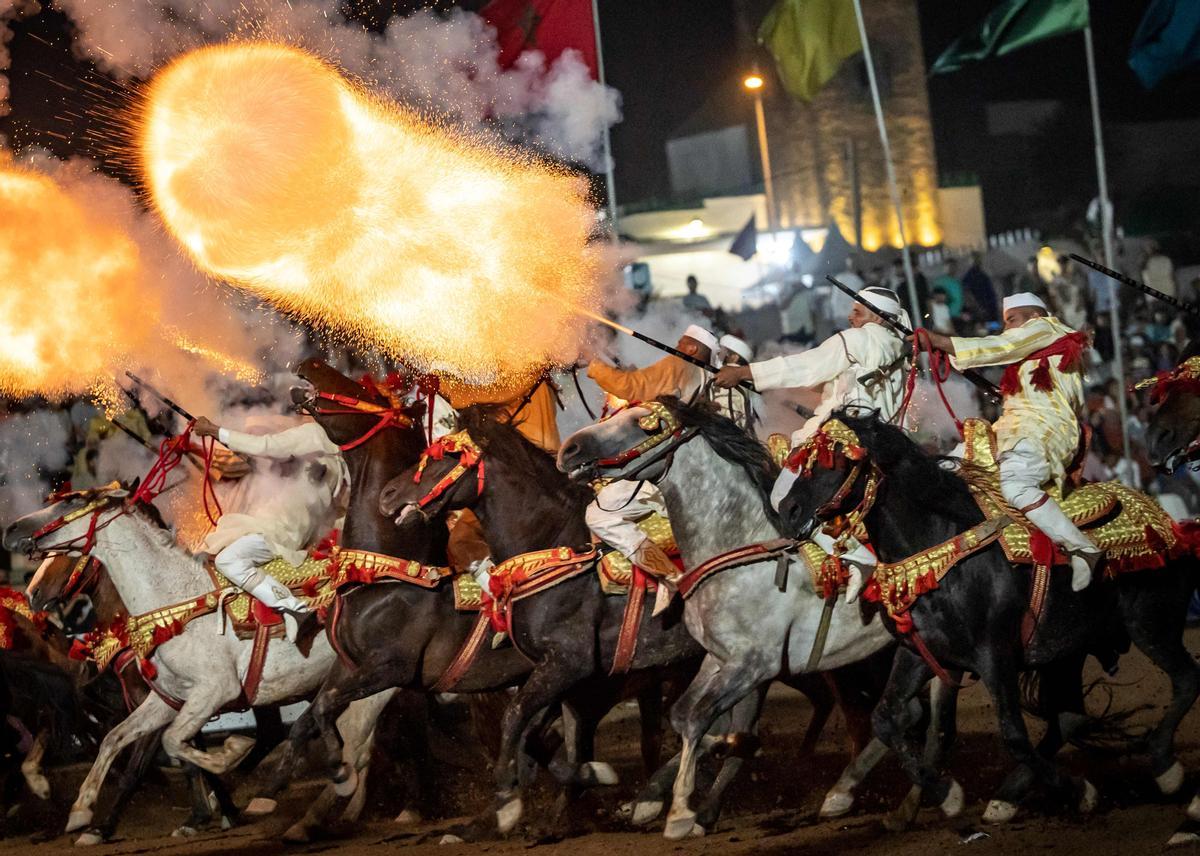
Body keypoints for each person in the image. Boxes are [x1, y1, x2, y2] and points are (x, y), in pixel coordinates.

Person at [714, 287, 910, 601]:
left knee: (781, 494)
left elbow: (805, 365)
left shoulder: (857, 339)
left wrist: (744, 373)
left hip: (846, 440)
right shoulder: (899, 346)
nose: (850, 317)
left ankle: (856, 556)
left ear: (876, 315)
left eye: (857, 311)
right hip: (884, 440)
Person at [919, 293, 1100, 590]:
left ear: (1033, 316)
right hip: (1011, 430)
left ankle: (1082, 548)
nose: (1007, 328)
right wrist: (950, 351)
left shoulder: (1046, 328)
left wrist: (939, 341)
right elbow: (1002, 350)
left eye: (1011, 320)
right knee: (945, 468)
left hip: (1046, 429)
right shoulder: (1035, 346)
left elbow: (1001, 347)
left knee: (1016, 485)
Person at [585, 325, 720, 612]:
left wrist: (595, 366)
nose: (676, 344)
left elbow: (634, 387)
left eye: (681, 342)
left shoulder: (680, 362)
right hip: (687, 470)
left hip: (667, 473)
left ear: (693, 348)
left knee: (597, 513)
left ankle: (668, 575)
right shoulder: (700, 374)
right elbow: (646, 388)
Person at [192, 414, 348, 645]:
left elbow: (264, 446)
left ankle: (294, 609)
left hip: (276, 530)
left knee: (227, 560)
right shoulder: (339, 459)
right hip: (280, 529)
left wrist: (214, 430)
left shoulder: (314, 433)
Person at [714, 334, 759, 433]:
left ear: (734, 358)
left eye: (722, 351)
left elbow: (728, 413)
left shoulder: (729, 379)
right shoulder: (747, 379)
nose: (717, 354)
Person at [962, 251, 999, 323]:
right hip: (980, 309)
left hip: (990, 307)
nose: (977, 261)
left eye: (978, 259)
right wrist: (978, 307)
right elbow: (967, 294)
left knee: (994, 328)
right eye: (974, 259)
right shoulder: (969, 277)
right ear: (970, 261)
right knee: (984, 331)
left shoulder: (983, 274)